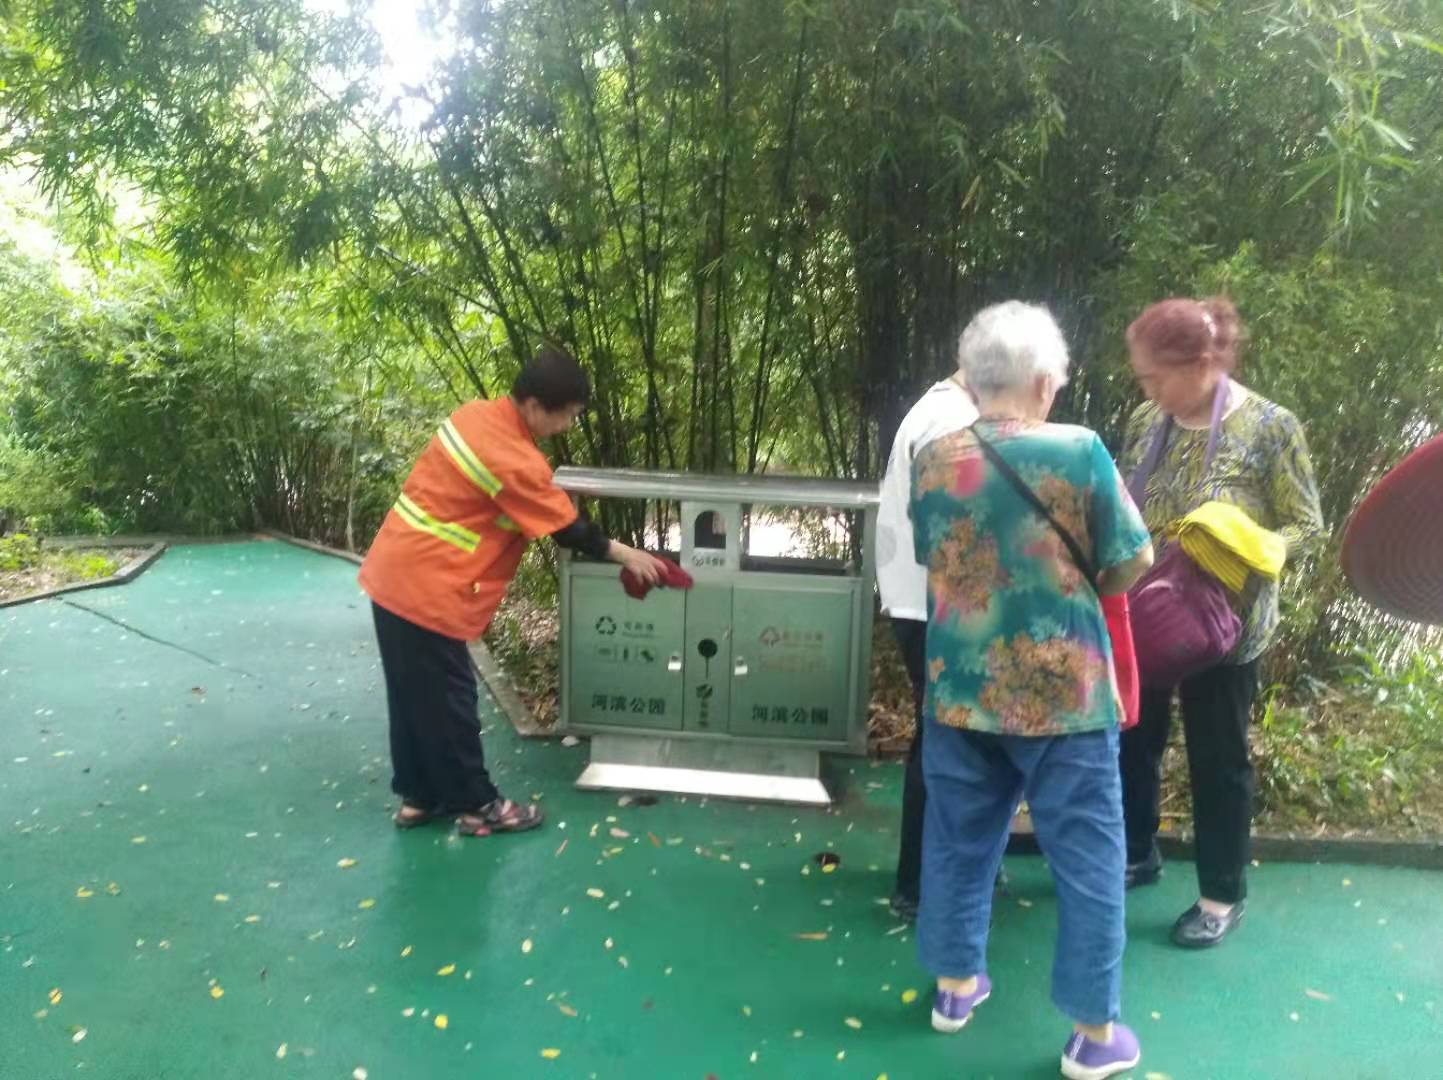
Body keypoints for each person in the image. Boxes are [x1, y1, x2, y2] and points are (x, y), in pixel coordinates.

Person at [912, 302, 1154, 1079]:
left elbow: (936, 559)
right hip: (1063, 693)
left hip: (958, 685)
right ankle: (1092, 1033)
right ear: (1044, 382)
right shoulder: (1078, 449)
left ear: (976, 378)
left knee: (957, 839)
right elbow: (1130, 560)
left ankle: (953, 988)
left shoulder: (932, 454)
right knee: (1085, 858)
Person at [358, 345, 662, 837]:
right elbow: (567, 528)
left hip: (392, 572)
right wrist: (628, 555)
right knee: (451, 698)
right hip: (428, 587)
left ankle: (419, 796)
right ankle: (479, 805)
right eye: (568, 417)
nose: (567, 427)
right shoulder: (514, 460)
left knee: (411, 694)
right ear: (537, 406)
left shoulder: (473, 415)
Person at [1118, 297, 1323, 947]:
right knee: (1131, 740)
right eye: (1141, 377)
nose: (1146, 390)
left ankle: (1219, 895)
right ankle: (1133, 850)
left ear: (1203, 362)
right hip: (1145, 613)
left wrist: (1247, 543)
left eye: (1157, 375)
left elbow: (1306, 526)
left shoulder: (1269, 426)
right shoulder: (1145, 419)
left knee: (1217, 758)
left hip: (1221, 628)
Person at [875, 370, 977, 921]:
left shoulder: (938, 406)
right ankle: (919, 883)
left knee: (942, 739)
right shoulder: (952, 420)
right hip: (937, 604)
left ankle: (926, 876)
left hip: (920, 600)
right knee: (944, 743)